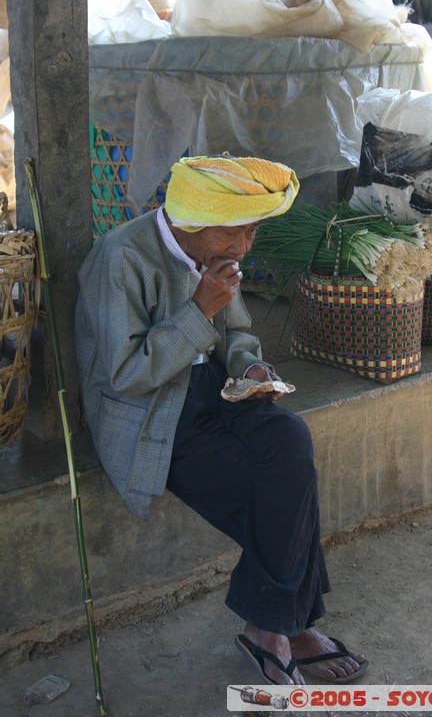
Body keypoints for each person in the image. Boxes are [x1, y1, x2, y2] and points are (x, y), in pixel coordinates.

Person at [75, 155, 369, 686]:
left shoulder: (214, 252)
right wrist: (199, 311)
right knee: (280, 493)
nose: (243, 247)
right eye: (232, 233)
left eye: (252, 231)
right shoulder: (120, 258)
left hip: (209, 387)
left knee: (290, 439)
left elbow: (237, 334)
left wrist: (250, 365)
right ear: (191, 220)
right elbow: (125, 375)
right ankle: (289, 627)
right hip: (150, 410)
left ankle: (273, 626)